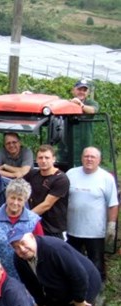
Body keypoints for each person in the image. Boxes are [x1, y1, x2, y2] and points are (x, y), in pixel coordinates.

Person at [66, 147, 118, 283]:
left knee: (96, 263)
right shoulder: (71, 174)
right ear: (82, 158)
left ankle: (98, 291)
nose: (89, 159)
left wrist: (111, 225)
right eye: (86, 156)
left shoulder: (106, 178)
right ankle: (76, 291)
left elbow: (113, 204)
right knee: (72, 263)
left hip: (95, 231)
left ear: (99, 160)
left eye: (92, 157)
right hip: (72, 230)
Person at [0, 178, 43, 279]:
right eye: (12, 198)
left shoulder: (33, 220)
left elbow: (40, 249)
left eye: (20, 199)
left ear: (25, 200)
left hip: (24, 275)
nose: (15, 202)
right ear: (7, 196)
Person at [24, 145, 69, 238]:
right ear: (36, 160)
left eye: (47, 158)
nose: (43, 161)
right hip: (35, 225)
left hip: (54, 229)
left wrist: (24, 218)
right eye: (40, 158)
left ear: (53, 159)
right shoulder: (32, 174)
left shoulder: (61, 179)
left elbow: (46, 205)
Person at [70, 79, 100, 160]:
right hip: (69, 141)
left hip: (85, 141)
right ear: (73, 90)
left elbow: (93, 110)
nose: (82, 92)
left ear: (88, 92)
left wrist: (80, 105)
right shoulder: (68, 103)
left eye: (84, 90)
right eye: (79, 89)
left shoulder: (92, 103)